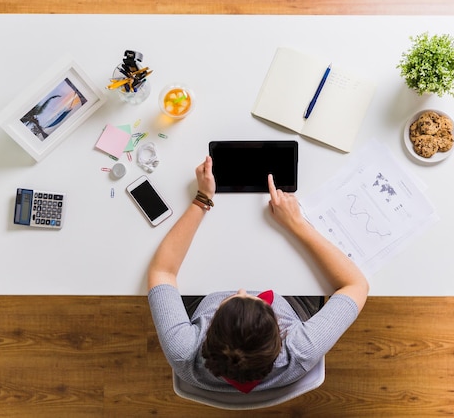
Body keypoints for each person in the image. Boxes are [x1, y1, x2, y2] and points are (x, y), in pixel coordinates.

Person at [147, 156, 369, 393]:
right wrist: (296, 223)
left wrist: (202, 198)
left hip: (202, 298)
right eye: (250, 297)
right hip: (294, 303)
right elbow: (356, 285)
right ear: (280, 334)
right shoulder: (301, 349)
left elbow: (162, 271)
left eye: (232, 299)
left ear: (208, 334)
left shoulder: (183, 351)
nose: (241, 289)